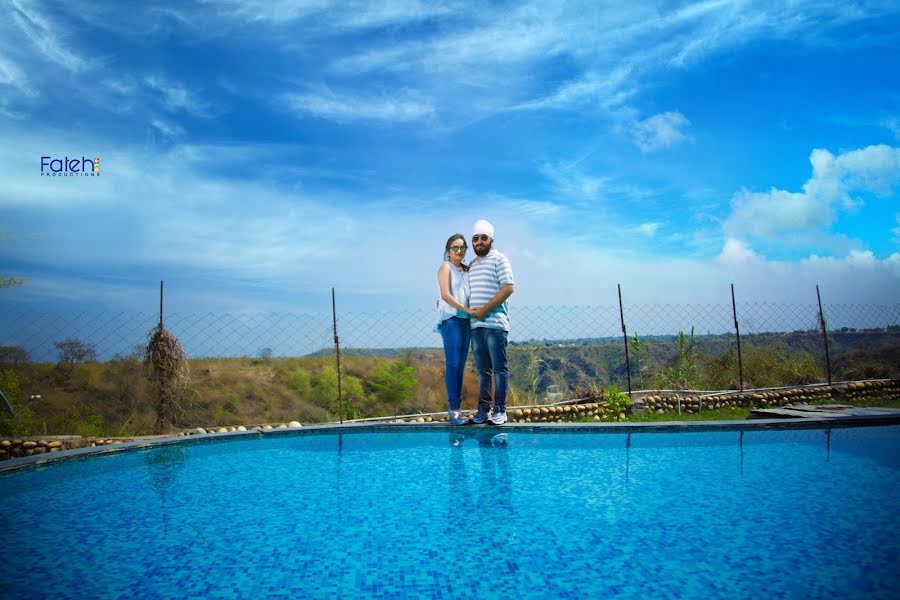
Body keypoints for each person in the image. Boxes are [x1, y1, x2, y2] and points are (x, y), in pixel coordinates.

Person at [467, 219, 515, 425]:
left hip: (495, 324)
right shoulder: (471, 265)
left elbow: (508, 287)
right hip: (475, 327)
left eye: (483, 238)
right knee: (482, 371)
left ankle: (500, 410)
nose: (479, 242)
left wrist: (484, 310)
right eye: (475, 238)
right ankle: (482, 411)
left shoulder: (500, 259)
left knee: (499, 369)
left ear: (491, 240)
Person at [436, 233, 473, 426]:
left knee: (461, 366)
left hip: (466, 321)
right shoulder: (445, 268)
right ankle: (454, 410)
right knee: (453, 365)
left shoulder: (466, 270)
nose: (459, 251)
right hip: (451, 320)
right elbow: (445, 295)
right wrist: (467, 310)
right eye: (455, 248)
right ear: (448, 251)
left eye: (462, 248)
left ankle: (459, 409)